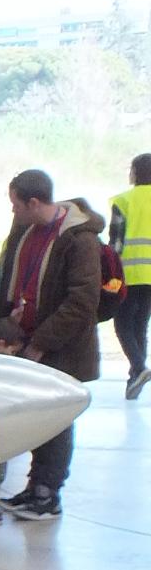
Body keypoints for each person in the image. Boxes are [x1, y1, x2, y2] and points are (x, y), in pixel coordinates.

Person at [0, 168, 103, 523]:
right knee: (34, 416)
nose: (12, 211)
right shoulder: (24, 232)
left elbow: (82, 302)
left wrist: (41, 343)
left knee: (56, 419)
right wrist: (2, 329)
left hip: (62, 349)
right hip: (23, 343)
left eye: (15, 204)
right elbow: (4, 287)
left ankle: (47, 493)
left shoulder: (79, 239)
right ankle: (34, 488)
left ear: (33, 202)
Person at [111, 153, 151, 399]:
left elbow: (116, 242)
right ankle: (134, 378)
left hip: (130, 272)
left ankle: (138, 367)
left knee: (123, 323)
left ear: (135, 173)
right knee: (141, 325)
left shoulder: (124, 200)